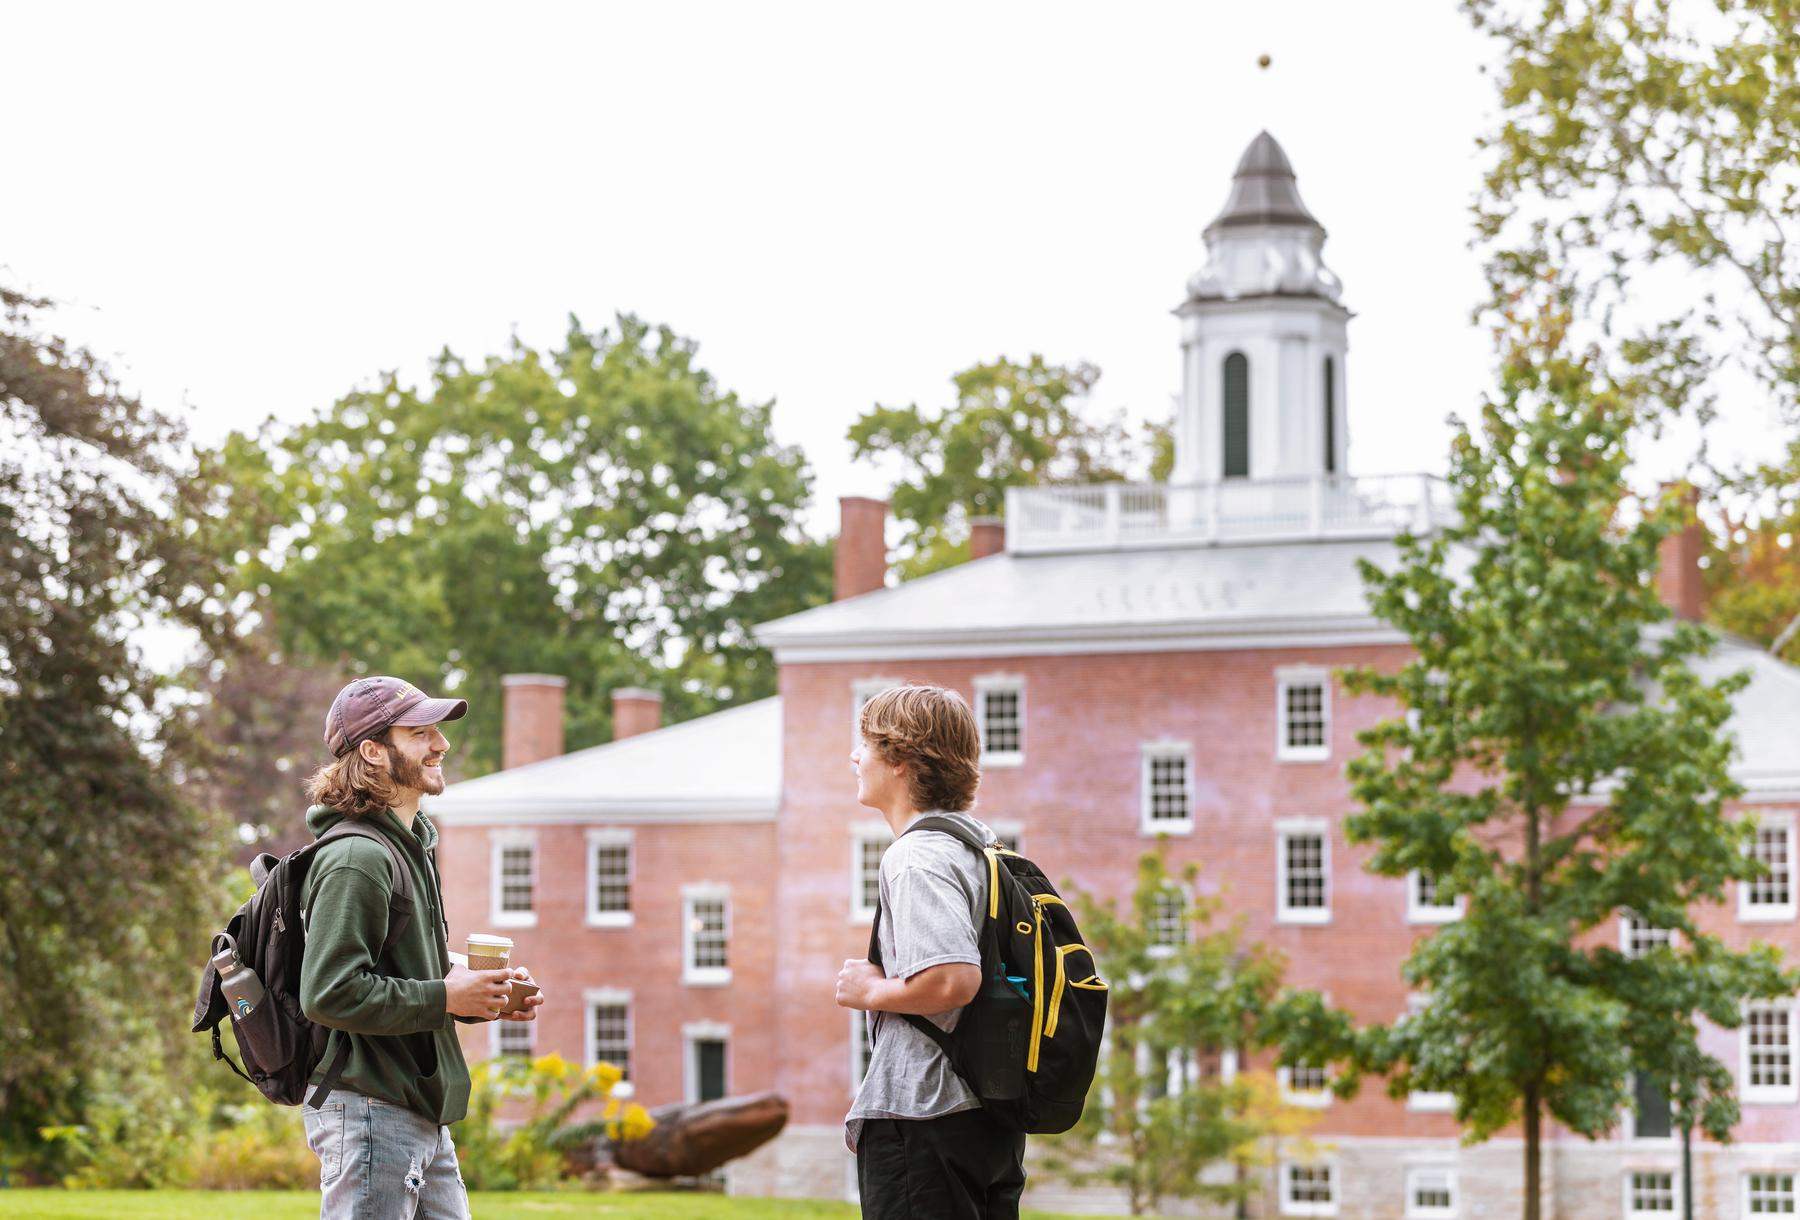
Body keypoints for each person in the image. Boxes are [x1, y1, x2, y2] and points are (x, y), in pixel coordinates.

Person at [298, 676, 544, 1218]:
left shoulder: (408, 847)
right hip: (370, 1112)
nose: (442, 744)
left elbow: (404, 968)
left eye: (438, 731)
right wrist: (445, 998)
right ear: (372, 751)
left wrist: (482, 992)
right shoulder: (358, 858)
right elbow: (328, 993)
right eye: (420, 733)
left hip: (415, 1110)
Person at [836, 684, 1026, 1219]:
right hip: (983, 1115)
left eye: (866, 745)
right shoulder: (981, 847)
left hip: (925, 1119)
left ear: (900, 759)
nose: (855, 756)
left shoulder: (917, 857)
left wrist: (871, 990)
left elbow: (952, 979)